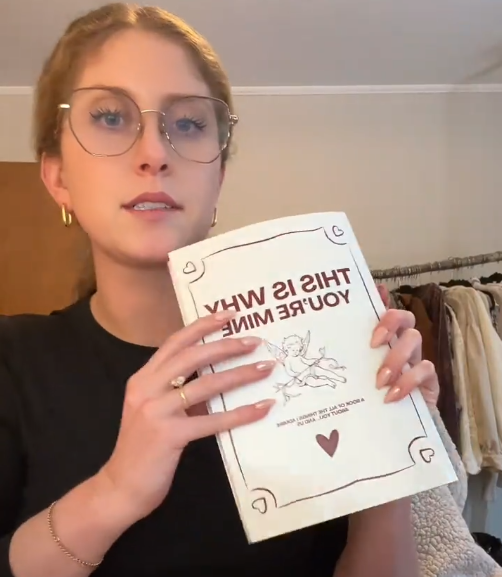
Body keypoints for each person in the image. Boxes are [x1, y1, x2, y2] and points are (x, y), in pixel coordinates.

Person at [0, 4, 440, 577]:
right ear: (57, 176)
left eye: (187, 124)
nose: (154, 154)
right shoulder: (13, 362)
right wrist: (117, 490)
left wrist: (391, 456)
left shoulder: (303, 355)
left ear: (218, 178)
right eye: (110, 117)